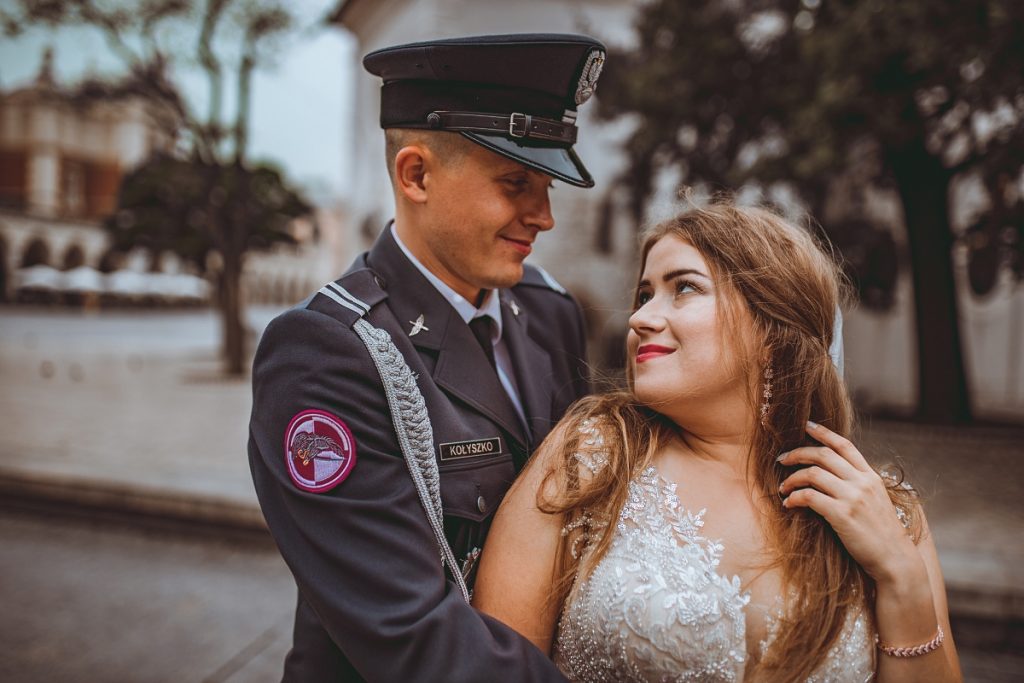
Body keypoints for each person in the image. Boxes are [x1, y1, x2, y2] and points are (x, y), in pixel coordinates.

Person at [473, 202, 962, 682]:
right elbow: (495, 668)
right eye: (644, 295)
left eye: (683, 288)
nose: (639, 318)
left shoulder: (889, 514)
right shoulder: (591, 457)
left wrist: (901, 577)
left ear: (772, 328)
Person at [248, 33, 606, 681]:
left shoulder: (550, 312)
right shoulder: (327, 355)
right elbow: (411, 638)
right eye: (516, 182)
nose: (544, 215)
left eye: (547, 183)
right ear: (416, 174)